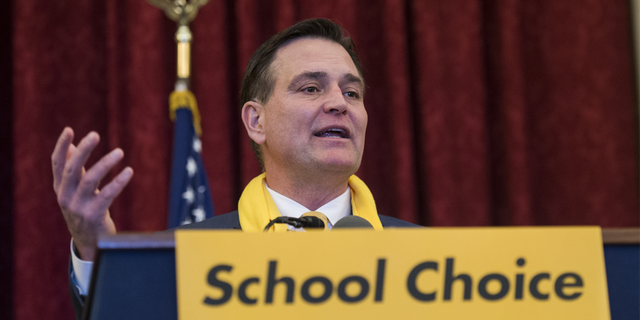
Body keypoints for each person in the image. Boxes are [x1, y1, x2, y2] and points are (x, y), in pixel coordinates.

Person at [52, 18, 419, 318]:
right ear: (256, 122)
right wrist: (93, 249)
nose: (339, 103)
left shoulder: (427, 256)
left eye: (352, 93)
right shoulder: (184, 256)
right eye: (311, 88)